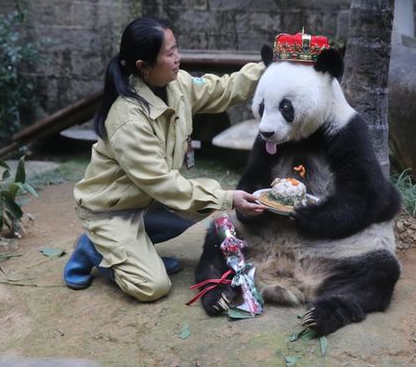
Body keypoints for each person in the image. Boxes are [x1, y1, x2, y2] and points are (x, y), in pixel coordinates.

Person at [63, 17, 266, 302]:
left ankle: (133, 250)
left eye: (176, 49)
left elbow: (224, 89)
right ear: (143, 66)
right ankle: (95, 247)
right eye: (168, 54)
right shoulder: (128, 119)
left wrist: (270, 67)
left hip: (145, 200)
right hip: (111, 210)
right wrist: (229, 198)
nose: (177, 59)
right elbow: (164, 184)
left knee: (203, 197)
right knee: (153, 286)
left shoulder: (177, 85)